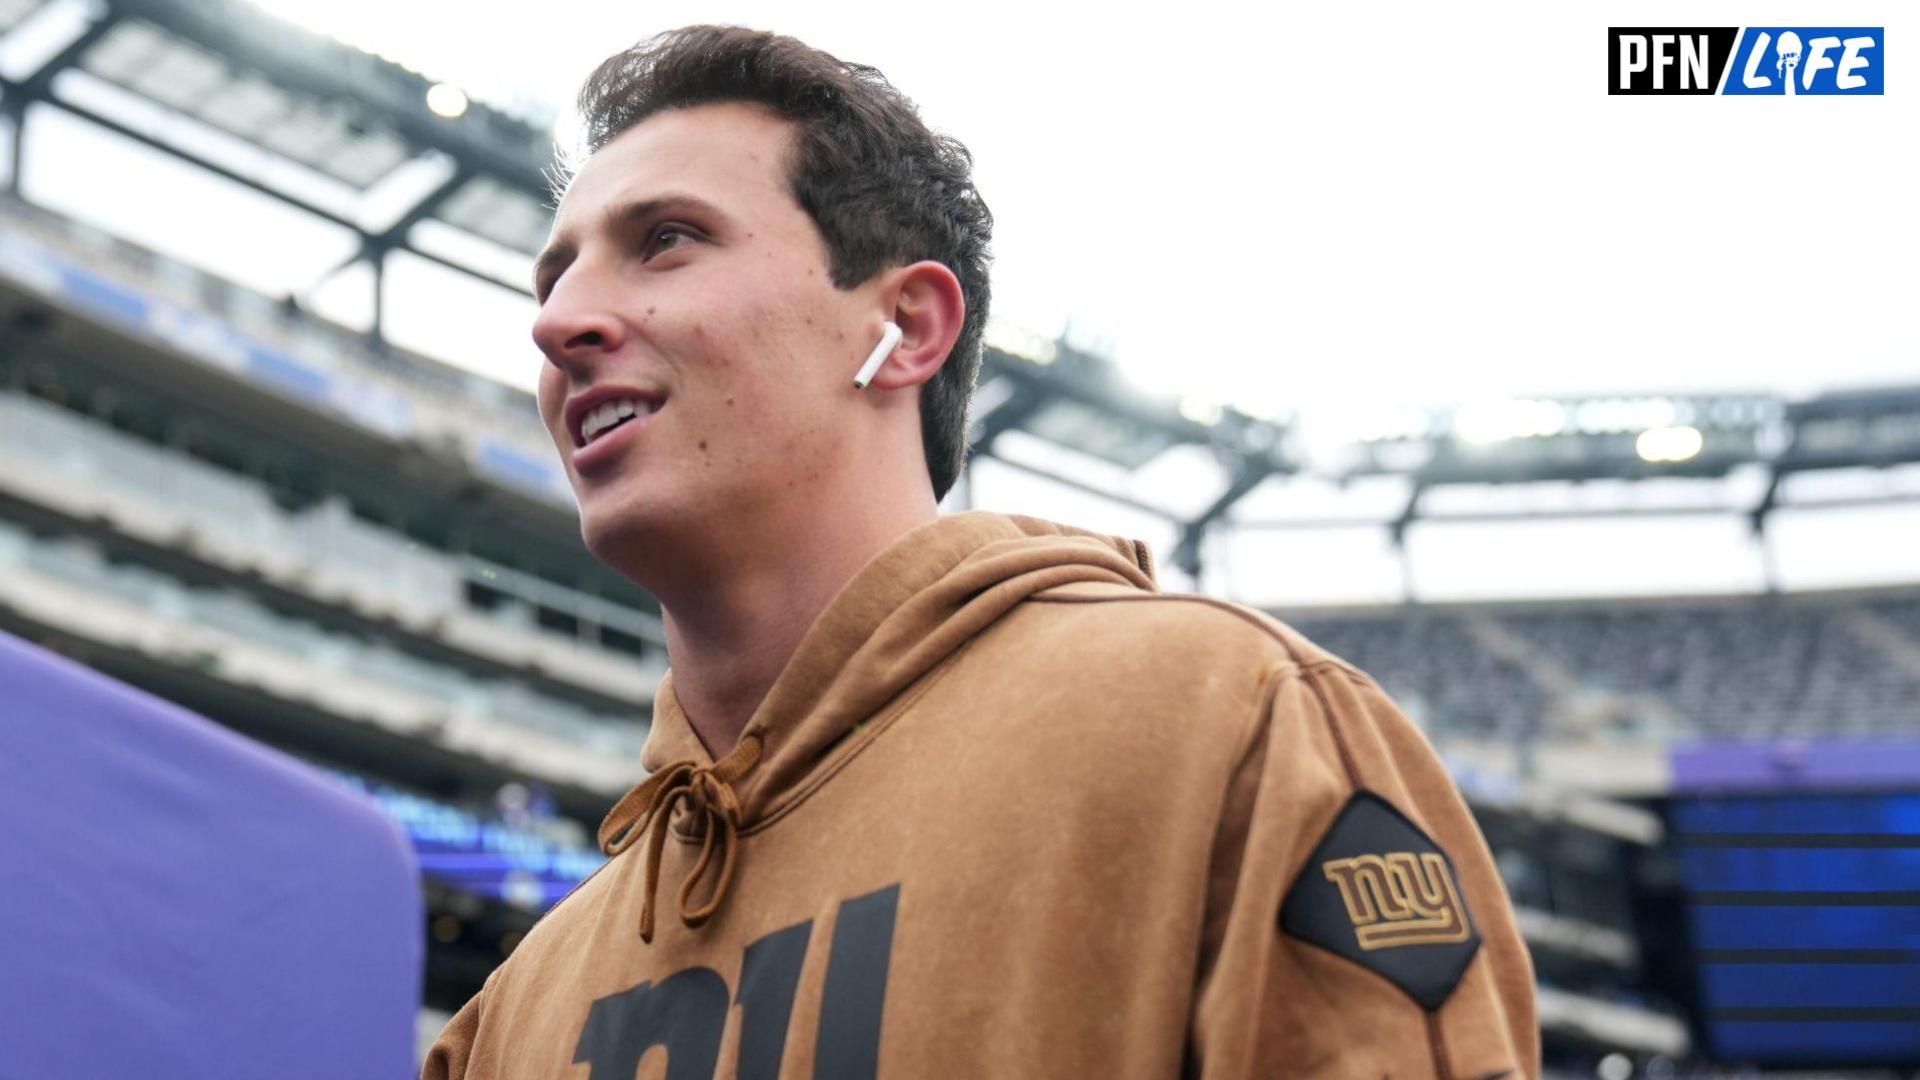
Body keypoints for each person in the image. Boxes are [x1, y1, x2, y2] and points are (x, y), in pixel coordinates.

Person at [424, 25, 1537, 1080]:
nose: (558, 322)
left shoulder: (1223, 723)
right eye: (553, 277)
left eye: (666, 240)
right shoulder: (515, 1013)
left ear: (905, 328)